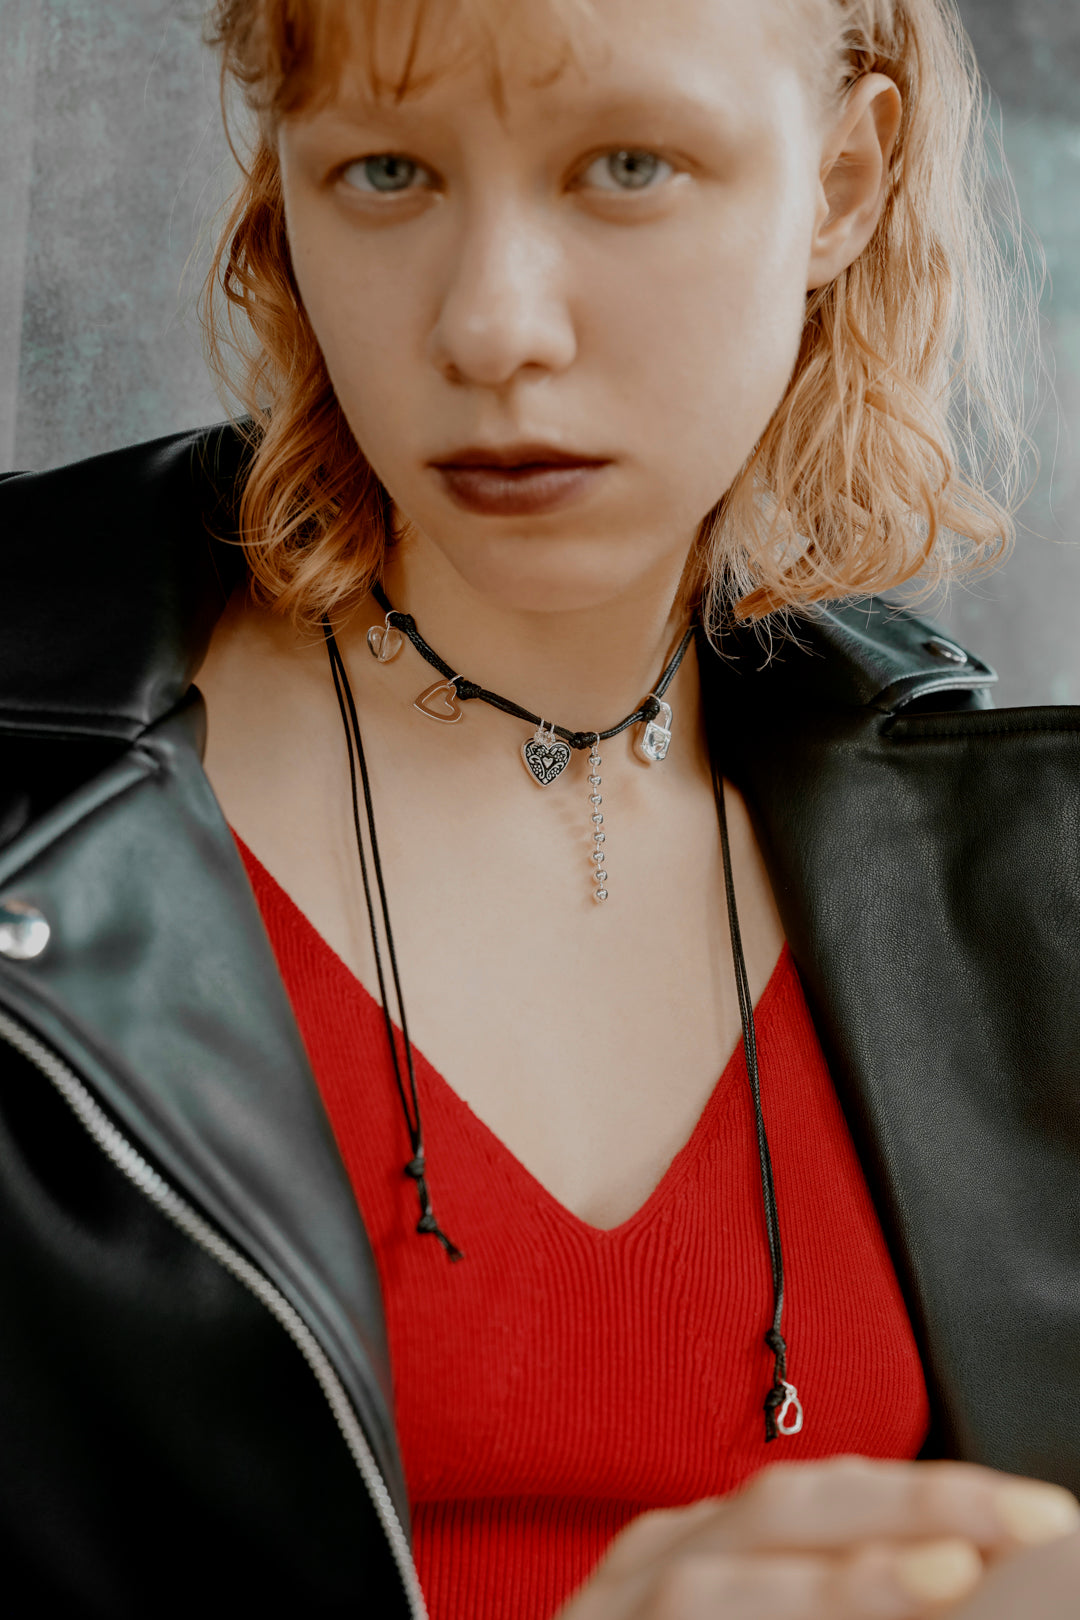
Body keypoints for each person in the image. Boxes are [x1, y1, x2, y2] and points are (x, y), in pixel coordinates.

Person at [1, 0, 1079, 1615]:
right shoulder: (35, 783)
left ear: (844, 184)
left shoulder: (1008, 875)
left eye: (627, 166)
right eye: (385, 171)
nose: (493, 327)